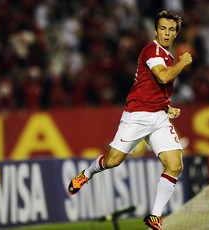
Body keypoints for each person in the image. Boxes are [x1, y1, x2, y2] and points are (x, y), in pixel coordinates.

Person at [67, 10, 193, 230]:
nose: (166, 33)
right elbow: (162, 76)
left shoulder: (168, 57)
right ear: (156, 31)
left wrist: (166, 106)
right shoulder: (151, 51)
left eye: (171, 30)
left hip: (158, 117)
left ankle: (155, 216)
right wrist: (183, 63)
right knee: (113, 161)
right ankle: (86, 174)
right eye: (162, 28)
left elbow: (153, 87)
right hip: (136, 117)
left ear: (175, 34)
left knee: (175, 165)